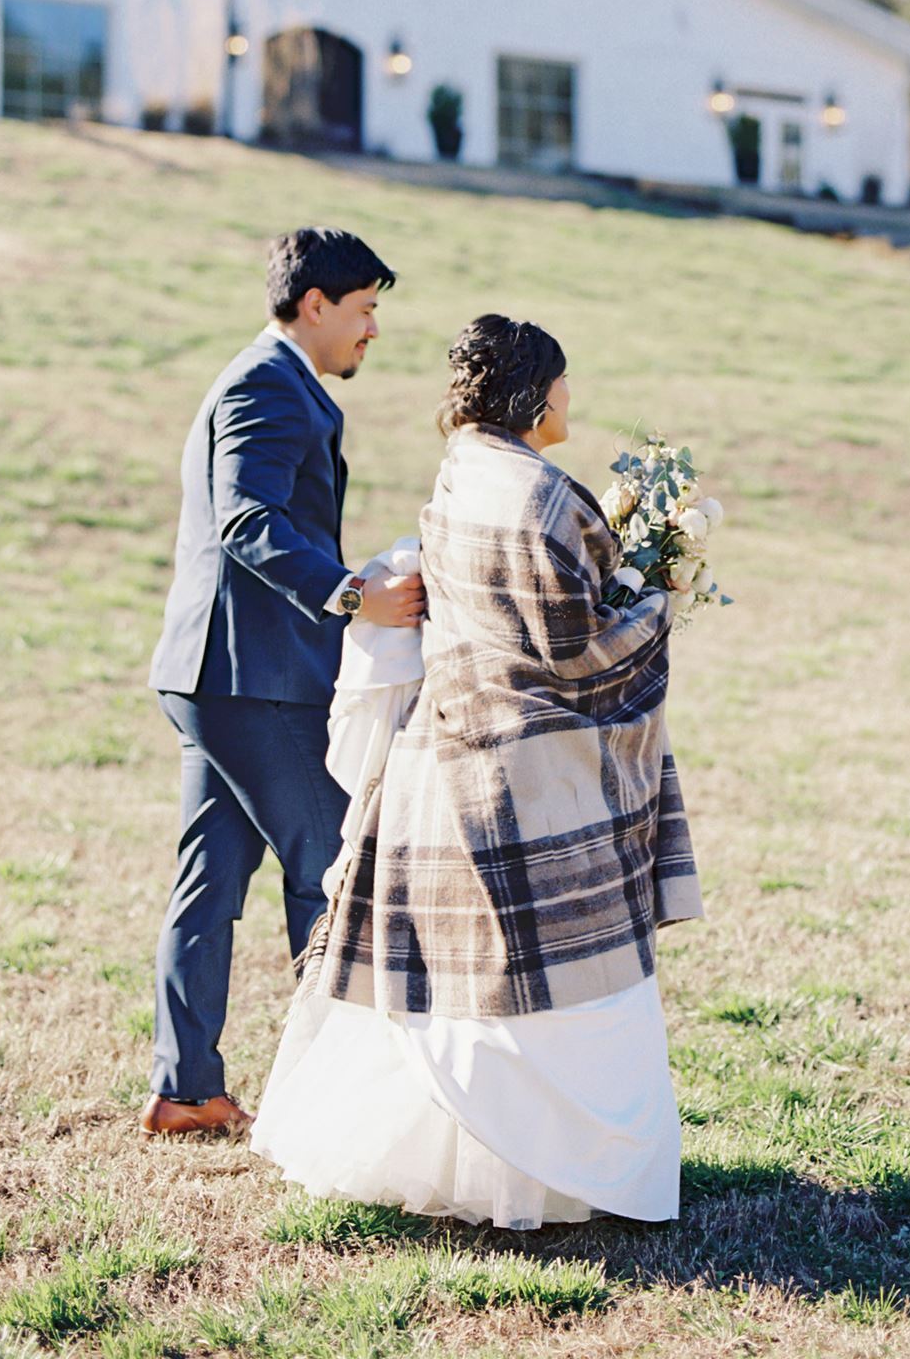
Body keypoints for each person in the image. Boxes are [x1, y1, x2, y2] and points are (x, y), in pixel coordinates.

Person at [252, 314, 703, 1225]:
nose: (572, 399)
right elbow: (575, 652)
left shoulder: (462, 475)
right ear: (537, 395)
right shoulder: (542, 496)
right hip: (536, 782)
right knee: (561, 986)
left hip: (442, 760)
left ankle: (470, 1172)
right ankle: (566, 1176)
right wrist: (659, 603)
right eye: (565, 383)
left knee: (462, 987)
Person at [140, 228, 425, 1138]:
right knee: (330, 869)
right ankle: (339, 1098)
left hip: (220, 672)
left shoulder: (276, 381)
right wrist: (352, 595)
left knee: (209, 885)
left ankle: (189, 1091)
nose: (373, 329)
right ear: (316, 305)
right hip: (247, 676)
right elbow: (247, 518)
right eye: (366, 308)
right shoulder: (266, 383)